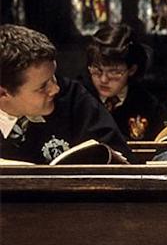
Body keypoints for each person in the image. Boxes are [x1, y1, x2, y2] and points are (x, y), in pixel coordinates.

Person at [0, 24, 131, 163]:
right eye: (43, 86)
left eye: (53, 77)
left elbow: (121, 159)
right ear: (3, 94)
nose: (55, 89)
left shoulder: (72, 97)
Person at [84, 23, 166, 140]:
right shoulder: (79, 99)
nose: (103, 79)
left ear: (132, 70)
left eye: (114, 72)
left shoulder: (149, 105)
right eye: (97, 70)